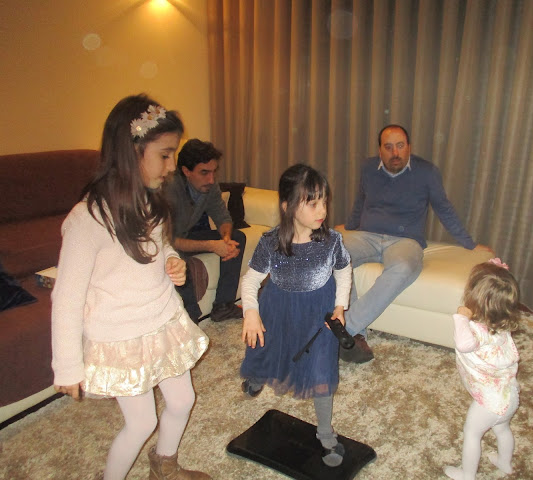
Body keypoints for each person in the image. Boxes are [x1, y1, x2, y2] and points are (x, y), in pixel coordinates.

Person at [51, 94, 210, 480]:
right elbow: (67, 298)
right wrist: (67, 365)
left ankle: (164, 465)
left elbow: (160, 245)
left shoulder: (150, 201)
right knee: (141, 423)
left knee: (183, 400)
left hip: (161, 320)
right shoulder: (87, 220)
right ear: (131, 151)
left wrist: (171, 259)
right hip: (122, 336)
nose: (171, 167)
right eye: (165, 155)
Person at [337, 124, 494, 363]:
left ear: (409, 147)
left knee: (403, 267)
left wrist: (470, 244)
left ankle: (345, 327)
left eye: (400, 146)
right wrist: (349, 226)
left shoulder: (426, 172)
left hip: (405, 240)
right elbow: (360, 200)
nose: (395, 153)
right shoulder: (368, 168)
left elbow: (444, 208)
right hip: (367, 235)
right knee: (334, 255)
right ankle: (356, 336)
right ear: (380, 150)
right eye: (388, 147)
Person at [240, 164, 352, 467]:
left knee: (321, 369)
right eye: (312, 203)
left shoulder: (332, 241)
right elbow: (250, 281)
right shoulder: (271, 242)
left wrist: (340, 306)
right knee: (269, 349)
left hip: (320, 315)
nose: (322, 210)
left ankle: (326, 434)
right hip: (278, 308)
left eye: (324, 201)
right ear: (287, 206)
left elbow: (343, 271)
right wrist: (251, 312)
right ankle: (256, 376)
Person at [444, 258, 520, 480]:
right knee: (502, 429)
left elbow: (463, 344)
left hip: (489, 403)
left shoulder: (475, 332)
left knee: (471, 433)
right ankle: (504, 463)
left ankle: (467, 474)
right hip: (510, 394)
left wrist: (461, 317)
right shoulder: (501, 326)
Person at [165, 138, 246, 323]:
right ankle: (191, 318)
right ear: (186, 171)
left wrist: (226, 240)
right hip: (167, 242)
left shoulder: (210, 187)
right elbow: (169, 240)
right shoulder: (169, 189)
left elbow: (223, 218)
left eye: (213, 172)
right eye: (204, 172)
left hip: (187, 235)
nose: (211, 179)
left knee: (237, 237)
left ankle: (223, 306)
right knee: (180, 260)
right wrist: (212, 245)